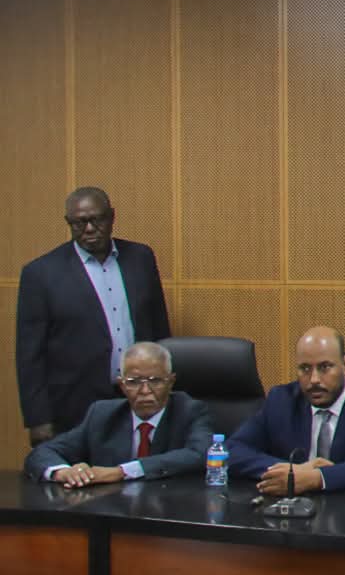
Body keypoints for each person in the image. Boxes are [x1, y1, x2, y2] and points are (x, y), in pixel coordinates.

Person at [15, 187, 171, 446]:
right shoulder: (41, 273)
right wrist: (38, 418)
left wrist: (166, 391)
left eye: (96, 220)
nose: (88, 229)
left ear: (111, 217)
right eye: (79, 223)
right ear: (69, 223)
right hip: (75, 404)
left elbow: (159, 328)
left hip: (139, 396)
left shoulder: (141, 258)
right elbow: (30, 355)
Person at [227, 325, 345, 495]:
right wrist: (292, 472)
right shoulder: (281, 400)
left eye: (324, 367)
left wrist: (319, 478)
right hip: (293, 510)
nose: (314, 379)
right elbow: (231, 450)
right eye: (305, 368)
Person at [24, 341, 211, 485]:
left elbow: (202, 454)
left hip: (169, 509)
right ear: (122, 385)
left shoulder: (190, 411)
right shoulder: (102, 414)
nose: (145, 390)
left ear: (171, 382)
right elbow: (43, 452)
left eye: (155, 381)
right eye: (134, 382)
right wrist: (64, 472)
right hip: (113, 510)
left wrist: (121, 472)